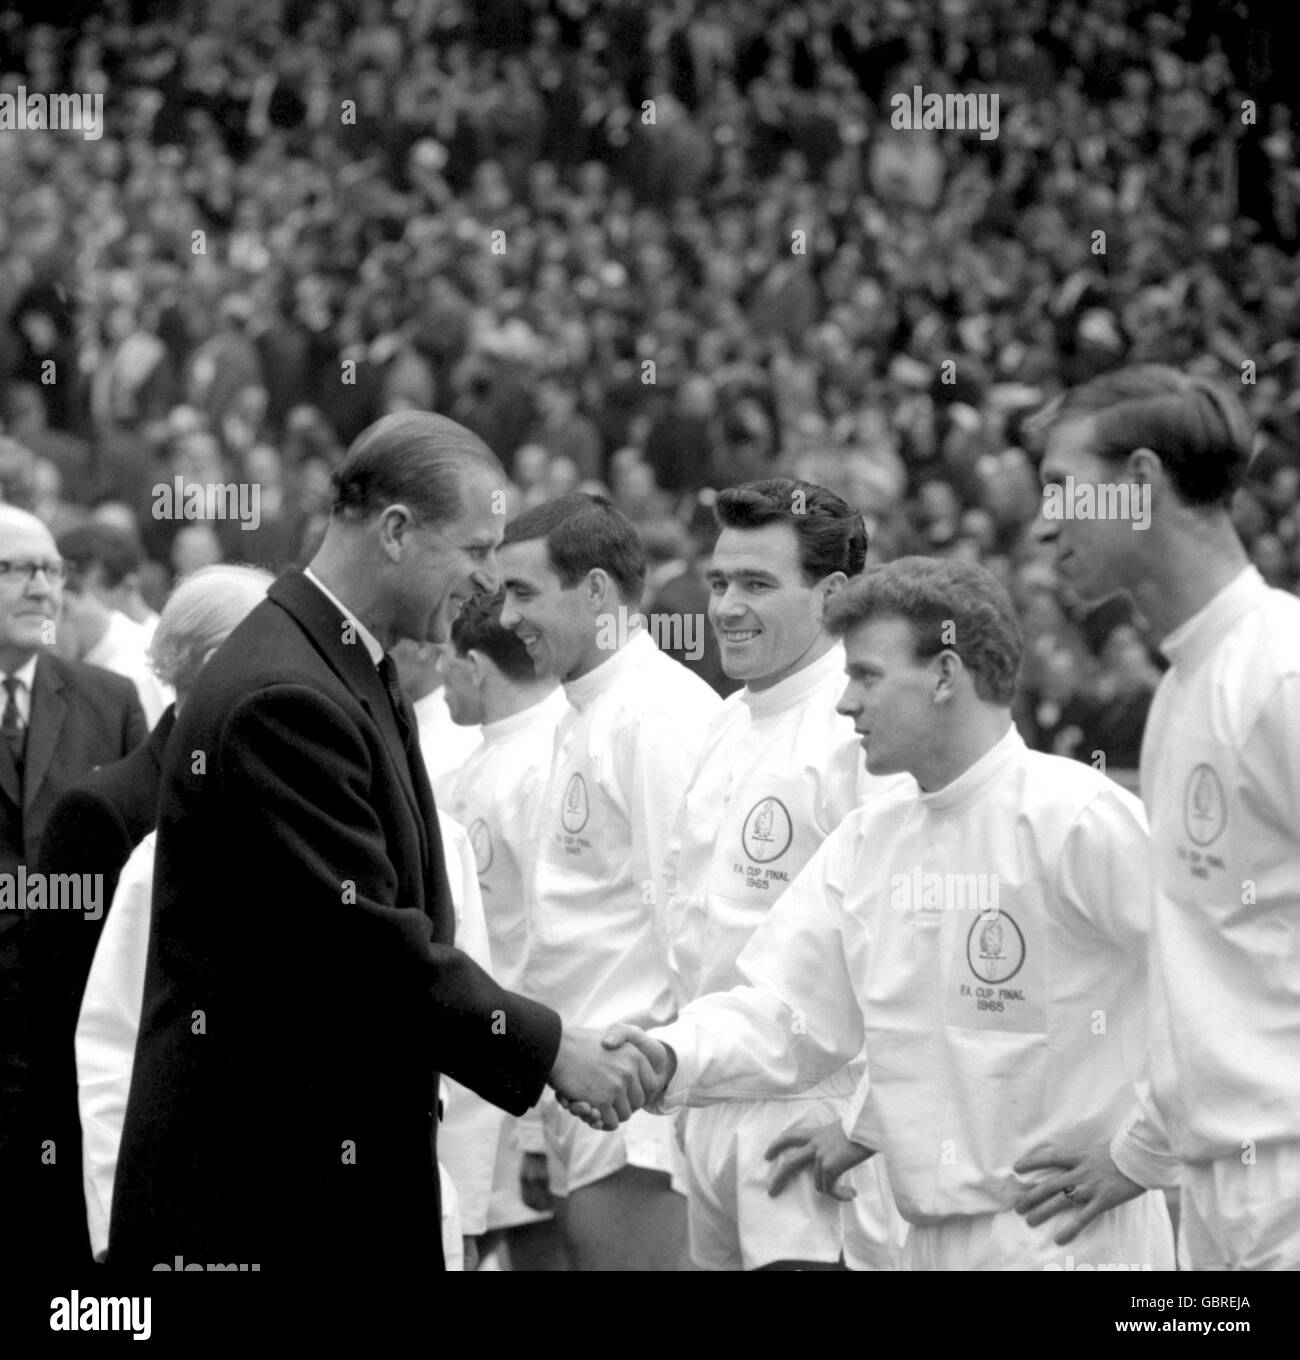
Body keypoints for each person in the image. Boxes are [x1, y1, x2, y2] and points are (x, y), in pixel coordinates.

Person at [106, 412, 659, 1274]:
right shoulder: (284, 693)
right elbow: (364, 946)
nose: (484, 585)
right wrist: (551, 1050)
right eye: (475, 551)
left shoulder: (342, 661)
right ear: (397, 531)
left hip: (325, 1187)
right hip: (268, 1204)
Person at [599, 558, 1177, 1270]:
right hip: (925, 1238)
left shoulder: (1078, 817)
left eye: (866, 676)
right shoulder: (871, 840)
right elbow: (788, 1013)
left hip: (1066, 1239)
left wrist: (1142, 1154)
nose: (845, 704)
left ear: (944, 675)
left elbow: (1207, 983)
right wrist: (669, 1054)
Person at [1026, 365, 1300, 1270]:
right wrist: (1138, 1153)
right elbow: (1218, 958)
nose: (1043, 523)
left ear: (1138, 483)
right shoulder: (1185, 686)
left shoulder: (1280, 673)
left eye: (1062, 487)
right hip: (1218, 1198)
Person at [664, 476, 904, 1271]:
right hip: (711, 1106)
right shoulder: (726, 722)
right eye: (720, 582)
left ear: (834, 594)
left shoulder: (860, 731)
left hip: (813, 1122)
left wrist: (865, 1122)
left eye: (758, 584)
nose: (727, 605)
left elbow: (901, 954)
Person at [498, 493, 723, 1270]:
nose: (504, 617)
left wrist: (662, 1098)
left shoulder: (657, 716)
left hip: (635, 1101)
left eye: (523, 592)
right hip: (582, 1093)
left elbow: (690, 929)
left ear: (596, 593)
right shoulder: (579, 713)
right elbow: (558, 925)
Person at [0, 505, 147, 1255]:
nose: (42, 588)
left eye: (53, 570)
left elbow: (144, 865)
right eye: (17, 570)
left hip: (73, 1052)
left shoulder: (108, 700)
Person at [432, 590, 568, 1270]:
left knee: (545, 1254)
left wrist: (542, 1119)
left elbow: (550, 939)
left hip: (529, 1071)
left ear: (476, 666)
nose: (435, 678)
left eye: (443, 662)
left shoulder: (544, 764)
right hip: (479, 1062)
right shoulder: (470, 767)